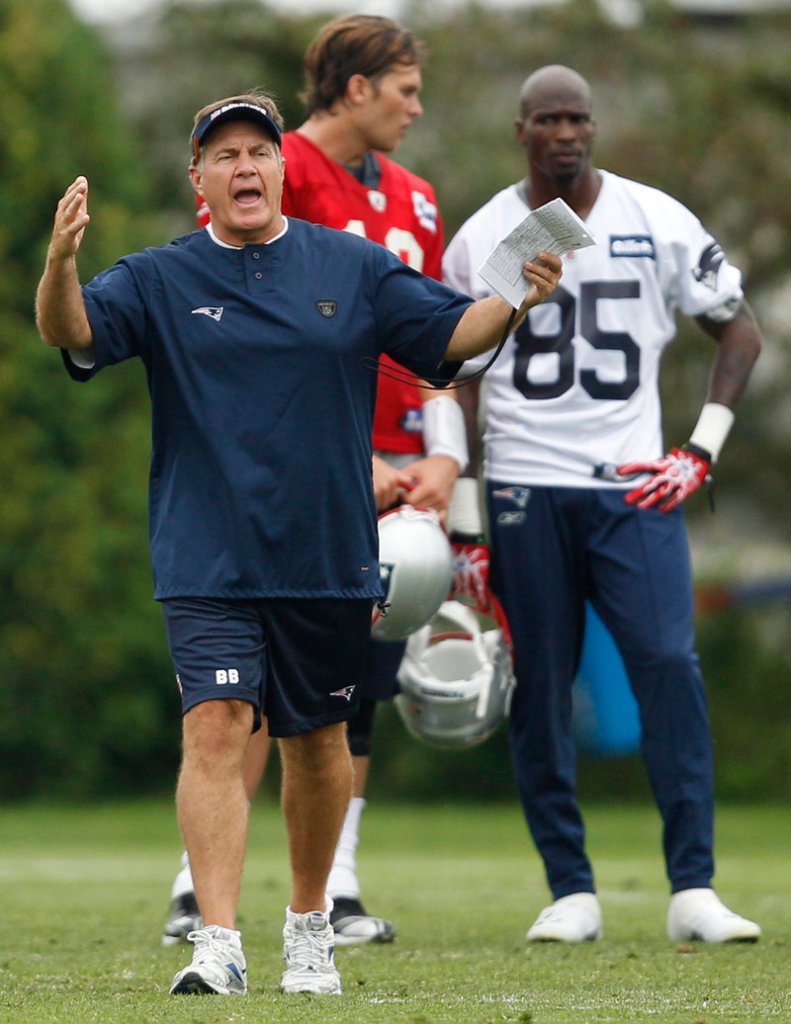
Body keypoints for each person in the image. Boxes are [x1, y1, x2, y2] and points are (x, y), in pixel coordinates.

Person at [35, 93, 561, 996]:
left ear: (283, 169)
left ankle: (310, 927)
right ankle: (217, 942)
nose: (244, 167)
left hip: (326, 553)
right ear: (197, 179)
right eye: (224, 154)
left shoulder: (351, 266)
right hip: (206, 555)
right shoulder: (159, 277)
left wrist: (514, 296)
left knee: (317, 743)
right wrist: (58, 264)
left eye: (258, 152)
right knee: (215, 725)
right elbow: (72, 332)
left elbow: (450, 340)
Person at [163, 13, 469, 950]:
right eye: (405, 89)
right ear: (356, 87)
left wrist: (447, 455)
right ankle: (198, 889)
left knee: (344, 693)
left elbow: (439, 336)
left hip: (403, 471)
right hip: (293, 468)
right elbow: (233, 328)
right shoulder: (263, 166)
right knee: (241, 690)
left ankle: (330, 888)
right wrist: (355, 460)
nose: (417, 108)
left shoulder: (415, 199)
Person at [443, 64, 763, 945]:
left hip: (631, 486)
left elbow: (737, 328)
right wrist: (465, 519)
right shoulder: (484, 236)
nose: (564, 133)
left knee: (667, 664)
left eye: (576, 117)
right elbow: (456, 378)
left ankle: (692, 886)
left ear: (593, 125)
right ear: (521, 131)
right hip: (523, 486)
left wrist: (700, 449)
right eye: (546, 119)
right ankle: (569, 887)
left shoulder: (654, 219)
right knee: (539, 686)